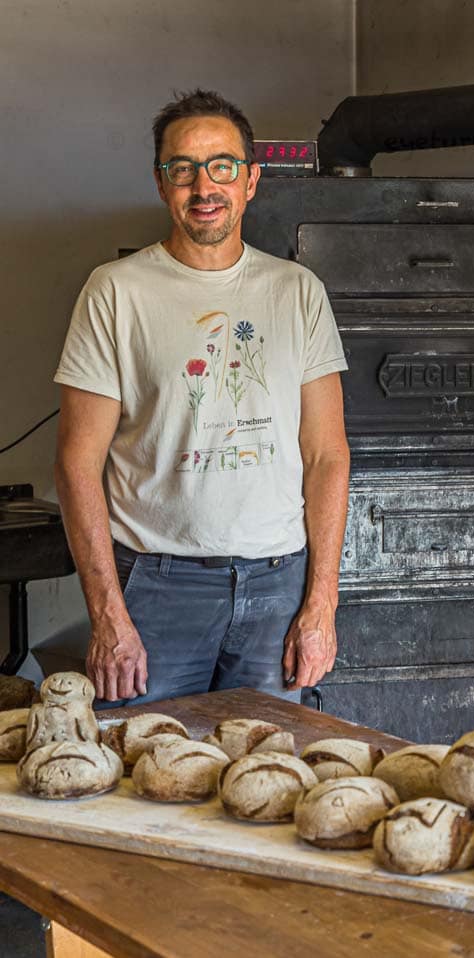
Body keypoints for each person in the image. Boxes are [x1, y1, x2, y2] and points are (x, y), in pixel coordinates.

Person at [53, 89, 350, 705]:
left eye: (221, 166)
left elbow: (327, 456)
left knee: (267, 781)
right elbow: (77, 465)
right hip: (156, 590)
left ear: (251, 180)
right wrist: (108, 614)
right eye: (182, 168)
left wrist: (321, 603)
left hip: (278, 588)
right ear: (162, 184)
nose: (203, 185)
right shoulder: (116, 292)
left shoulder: (298, 291)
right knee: (144, 780)